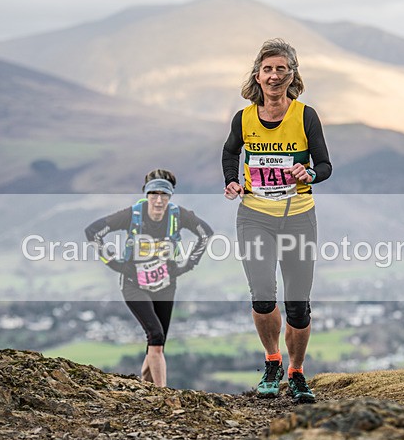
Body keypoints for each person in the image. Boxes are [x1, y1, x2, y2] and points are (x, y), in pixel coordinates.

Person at [222, 39, 332, 404]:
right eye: (267, 69)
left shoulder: (306, 116)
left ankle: (297, 372)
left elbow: (326, 166)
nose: (273, 75)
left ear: (291, 75)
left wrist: (309, 173)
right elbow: (230, 151)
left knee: (298, 305)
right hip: (255, 217)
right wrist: (231, 180)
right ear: (258, 75)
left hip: (299, 218)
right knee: (263, 296)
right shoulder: (244, 118)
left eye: (280, 69)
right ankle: (272, 362)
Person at [85, 169, 213, 387]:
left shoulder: (179, 215)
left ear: (170, 197)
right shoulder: (133, 215)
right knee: (155, 335)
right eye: (153, 194)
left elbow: (206, 233)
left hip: (165, 286)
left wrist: (188, 265)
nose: (158, 200)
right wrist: (116, 265)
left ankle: (145, 389)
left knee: (157, 343)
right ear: (146, 195)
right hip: (134, 285)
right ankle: (163, 395)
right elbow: (93, 231)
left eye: (164, 195)